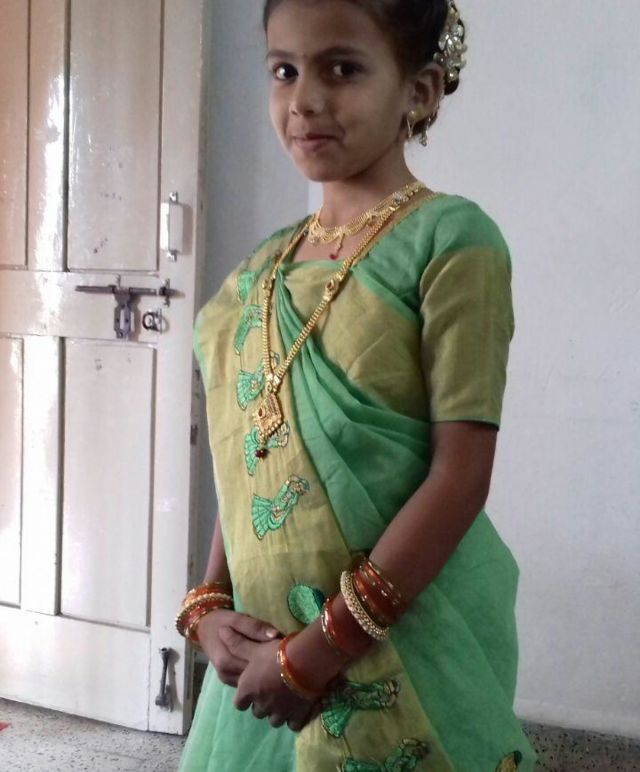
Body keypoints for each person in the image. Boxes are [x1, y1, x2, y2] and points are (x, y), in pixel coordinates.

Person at [177, 1, 539, 770]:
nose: (304, 100)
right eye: (283, 71)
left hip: (402, 637)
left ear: (420, 90)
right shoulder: (259, 273)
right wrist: (209, 605)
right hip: (265, 647)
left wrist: (318, 652)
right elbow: (250, 461)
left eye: (342, 69)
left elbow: (460, 477)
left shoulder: (452, 241)